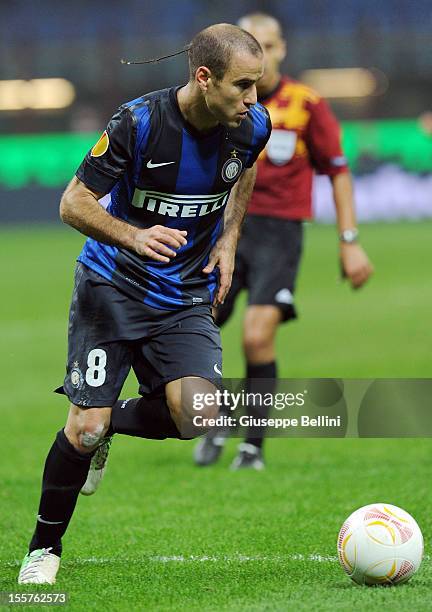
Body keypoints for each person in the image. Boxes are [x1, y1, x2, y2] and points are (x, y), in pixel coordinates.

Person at [18, 23, 271, 584]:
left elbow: (246, 169)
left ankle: (113, 425)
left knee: (200, 415)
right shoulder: (138, 123)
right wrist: (133, 236)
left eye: (258, 86)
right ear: (204, 79)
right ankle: (44, 549)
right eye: (244, 85)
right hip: (111, 287)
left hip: (184, 294)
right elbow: (72, 203)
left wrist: (229, 239)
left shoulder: (250, 126)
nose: (254, 100)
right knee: (81, 428)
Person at [194, 12, 374, 470]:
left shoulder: (306, 104)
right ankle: (216, 417)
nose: (264, 54)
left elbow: (337, 170)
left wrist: (348, 240)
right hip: (223, 229)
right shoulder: (218, 104)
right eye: (254, 44)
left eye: (270, 45)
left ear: (282, 49)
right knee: (200, 330)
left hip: (279, 235)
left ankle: (252, 445)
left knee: (257, 337)